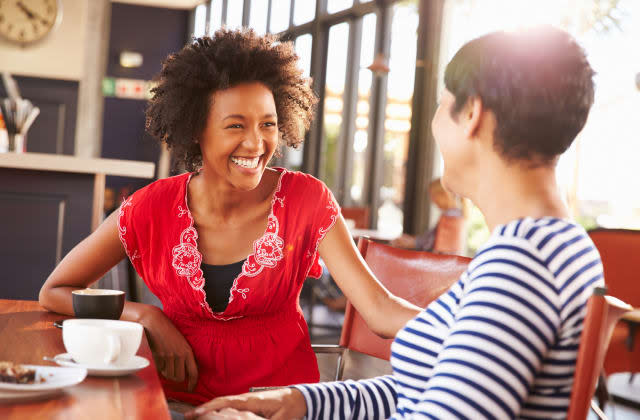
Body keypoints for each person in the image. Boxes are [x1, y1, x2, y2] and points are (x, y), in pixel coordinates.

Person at [185, 25, 604, 419]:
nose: (436, 124)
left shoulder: (520, 264)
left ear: (472, 112)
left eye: (441, 104)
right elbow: (419, 390)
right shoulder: (552, 247)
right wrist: (298, 402)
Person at [39, 28, 421, 407]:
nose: (256, 144)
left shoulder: (308, 200)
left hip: (277, 407)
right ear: (196, 130)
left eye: (268, 124)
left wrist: (471, 327)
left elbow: (380, 308)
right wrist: (145, 316)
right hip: (173, 404)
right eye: (235, 125)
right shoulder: (149, 208)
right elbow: (54, 291)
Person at [391, 177, 467, 254]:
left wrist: (413, 242)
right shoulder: (457, 214)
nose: (433, 201)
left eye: (434, 197)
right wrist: (413, 240)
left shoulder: (450, 216)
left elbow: (433, 241)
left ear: (443, 195)